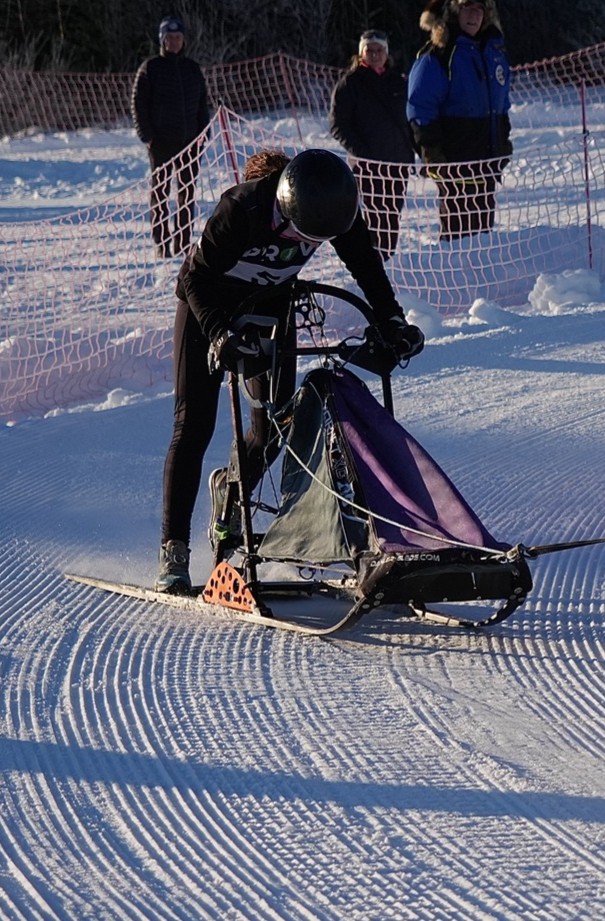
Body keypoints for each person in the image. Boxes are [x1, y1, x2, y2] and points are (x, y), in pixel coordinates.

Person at [155, 148, 425, 593]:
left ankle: (230, 494)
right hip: (208, 307)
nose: (306, 244)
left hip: (269, 307)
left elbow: (366, 267)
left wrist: (392, 320)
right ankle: (174, 549)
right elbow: (195, 280)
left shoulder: (332, 206)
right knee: (194, 425)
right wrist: (220, 335)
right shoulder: (242, 208)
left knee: (273, 427)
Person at [406, 0, 512, 241]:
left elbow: (502, 101)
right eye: (467, 8)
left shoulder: (493, 50)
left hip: (487, 160)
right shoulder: (440, 54)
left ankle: (483, 276)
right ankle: (453, 275)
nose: (473, 15)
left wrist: (503, 137)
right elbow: (420, 105)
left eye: (479, 9)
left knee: (483, 233)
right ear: (455, 12)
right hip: (454, 160)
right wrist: (430, 149)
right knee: (458, 234)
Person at [131, 16, 212, 258]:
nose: (174, 42)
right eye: (170, 38)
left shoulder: (192, 69)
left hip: (190, 143)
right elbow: (138, 104)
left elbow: (202, 104)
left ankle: (183, 242)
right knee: (160, 194)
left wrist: (203, 134)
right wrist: (147, 135)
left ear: (183, 40)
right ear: (162, 41)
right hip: (161, 143)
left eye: (178, 38)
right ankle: (161, 243)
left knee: (187, 194)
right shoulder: (151, 68)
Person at [331, 30, 413, 254]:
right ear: (361, 53)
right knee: (377, 213)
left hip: (397, 162)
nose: (375, 54)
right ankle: (375, 259)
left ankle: (389, 256)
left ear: (387, 53)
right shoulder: (350, 83)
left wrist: (413, 151)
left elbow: (409, 119)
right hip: (368, 165)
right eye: (370, 50)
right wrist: (361, 152)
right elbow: (338, 124)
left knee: (393, 212)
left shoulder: (398, 81)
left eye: (380, 50)